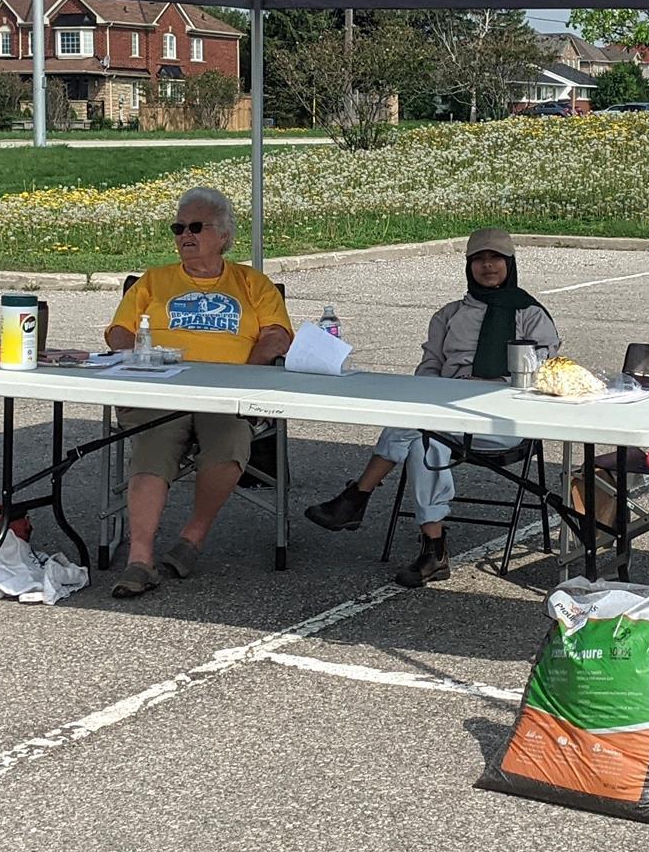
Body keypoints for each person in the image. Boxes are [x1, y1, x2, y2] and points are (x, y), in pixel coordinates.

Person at [304, 228, 558, 588]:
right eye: (479, 260)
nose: (488, 266)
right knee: (424, 441)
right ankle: (433, 551)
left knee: (416, 424)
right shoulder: (449, 315)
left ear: (510, 264)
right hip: (445, 413)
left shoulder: (530, 315)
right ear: (469, 267)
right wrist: (436, 398)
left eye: (495, 259)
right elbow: (427, 370)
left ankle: (356, 497)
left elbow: (546, 373)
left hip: (503, 417)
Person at [104, 187, 292, 597]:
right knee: (152, 449)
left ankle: (191, 539)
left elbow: (277, 337)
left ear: (224, 235)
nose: (184, 235)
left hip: (226, 393)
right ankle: (139, 559)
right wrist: (136, 358)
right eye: (178, 228)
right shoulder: (154, 281)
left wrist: (245, 377)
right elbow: (120, 331)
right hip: (160, 390)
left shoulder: (252, 283)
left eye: (195, 227)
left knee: (228, 443)